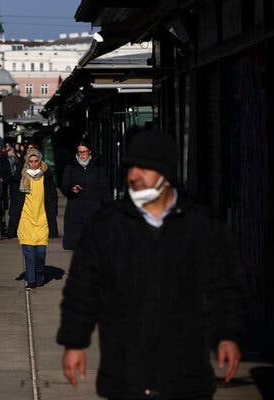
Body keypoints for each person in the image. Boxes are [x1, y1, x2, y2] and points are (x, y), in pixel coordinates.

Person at [57, 129, 246, 400]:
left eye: (143, 167)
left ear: (164, 171)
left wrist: (228, 334)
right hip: (125, 371)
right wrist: (74, 342)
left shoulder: (199, 225)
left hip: (184, 372)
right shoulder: (109, 225)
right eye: (130, 167)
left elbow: (224, 285)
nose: (133, 176)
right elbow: (82, 288)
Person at [10, 148, 58, 288]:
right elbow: (15, 199)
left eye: (36, 161)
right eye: (30, 161)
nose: (33, 164)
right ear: (27, 161)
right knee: (29, 252)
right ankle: (31, 280)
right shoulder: (21, 176)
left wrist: (52, 214)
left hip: (42, 218)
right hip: (26, 218)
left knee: (41, 252)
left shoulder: (47, 176)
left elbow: (52, 198)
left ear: (40, 161)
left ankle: (39, 271)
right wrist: (13, 219)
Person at [61, 140, 109, 250]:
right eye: (80, 152)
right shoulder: (71, 167)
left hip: (94, 209)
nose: (82, 155)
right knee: (76, 245)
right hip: (76, 209)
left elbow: (104, 188)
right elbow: (65, 187)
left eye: (84, 152)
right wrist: (72, 190)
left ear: (90, 152)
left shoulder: (97, 167)